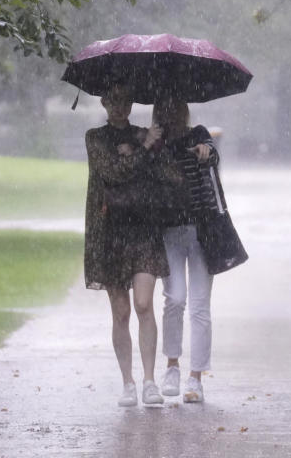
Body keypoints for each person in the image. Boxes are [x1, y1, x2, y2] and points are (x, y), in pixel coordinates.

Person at [84, 83, 168, 407]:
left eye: (125, 100)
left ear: (132, 103)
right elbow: (113, 173)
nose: (119, 106)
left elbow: (160, 176)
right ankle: (128, 383)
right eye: (113, 100)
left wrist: (147, 146)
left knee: (144, 304)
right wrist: (141, 151)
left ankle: (150, 380)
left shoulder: (145, 134)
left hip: (143, 229)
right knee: (120, 311)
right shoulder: (95, 138)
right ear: (104, 102)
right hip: (110, 232)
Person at [152, 96, 219, 404]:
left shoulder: (198, 135)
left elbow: (213, 155)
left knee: (200, 306)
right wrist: (146, 146)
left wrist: (207, 152)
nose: (172, 113)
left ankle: (196, 377)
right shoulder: (155, 144)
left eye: (176, 107)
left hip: (202, 231)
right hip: (169, 231)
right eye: (166, 108)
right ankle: (172, 366)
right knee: (175, 299)